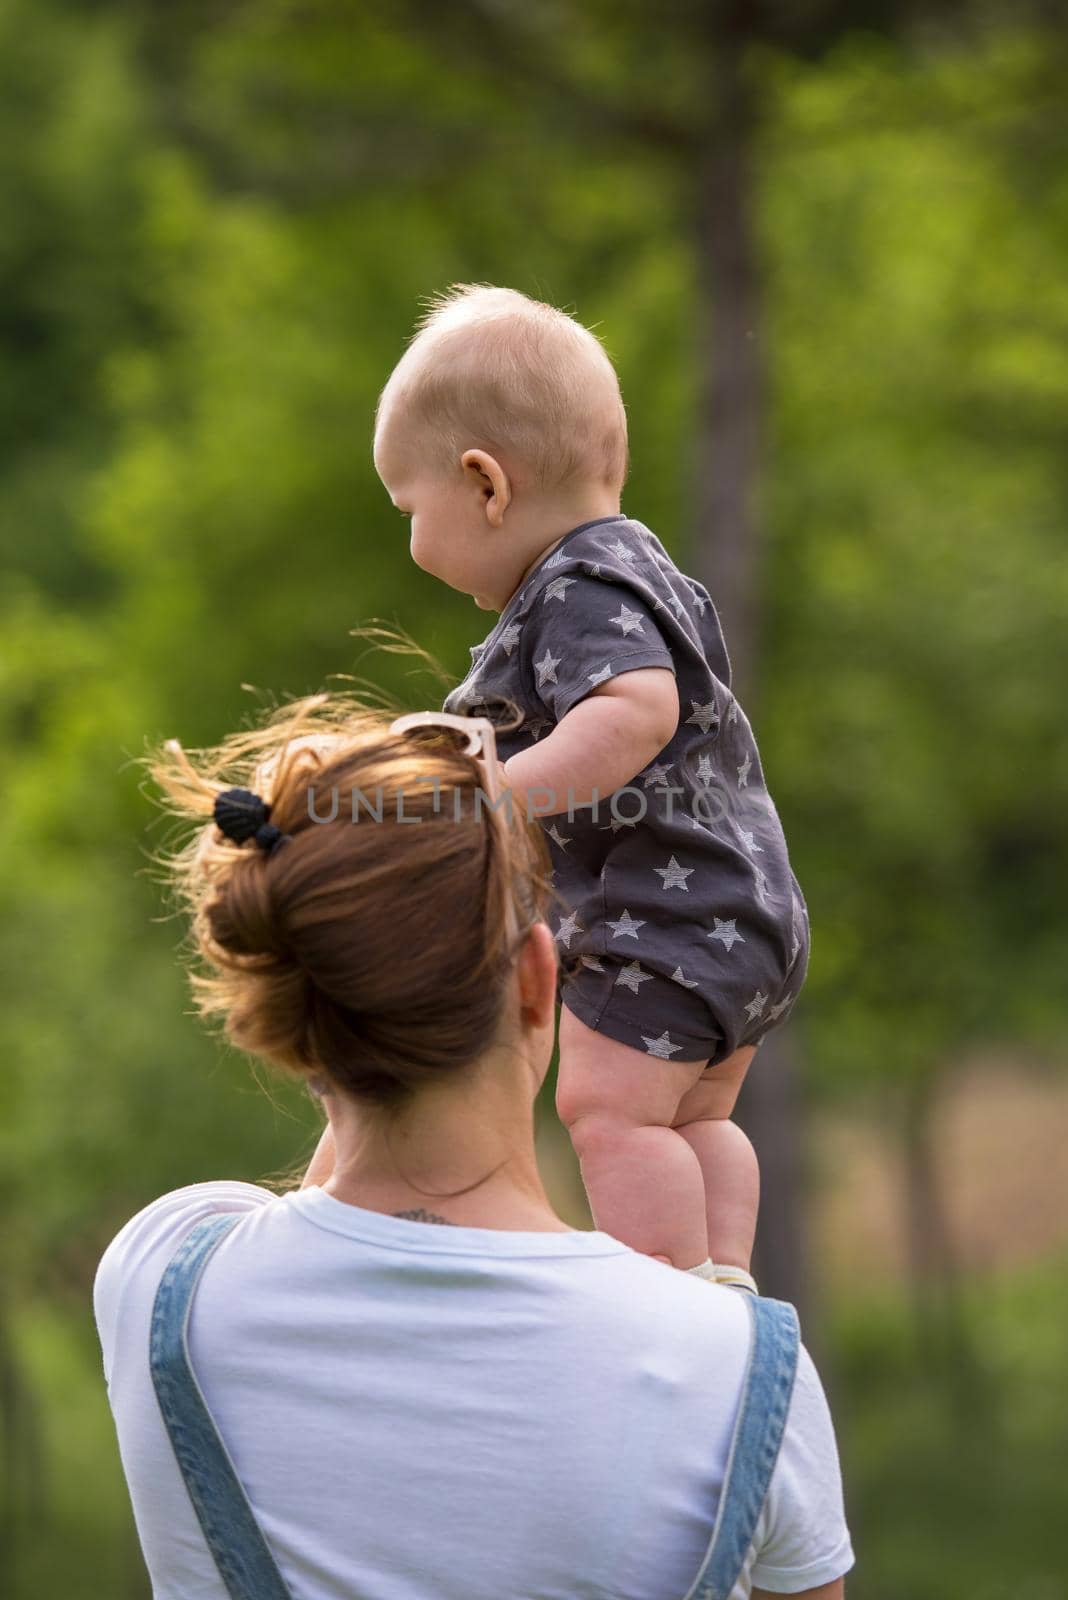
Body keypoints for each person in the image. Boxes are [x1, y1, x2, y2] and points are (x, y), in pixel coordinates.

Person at [93, 692, 854, 1599]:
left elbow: (322, 1204)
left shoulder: (163, 1277)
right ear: (541, 980)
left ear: (289, 1012)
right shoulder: (739, 1372)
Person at [373, 284, 810, 1294]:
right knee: (692, 1120)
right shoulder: (635, 567)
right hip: (741, 922)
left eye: (409, 510)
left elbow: (633, 714)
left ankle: (662, 1299)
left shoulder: (576, 585)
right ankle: (724, 1284)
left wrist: (495, 797)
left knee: (605, 1116)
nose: (410, 540)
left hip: (667, 920)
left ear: (486, 485)